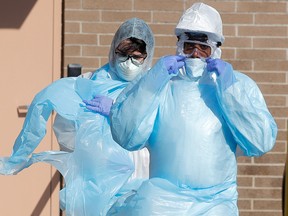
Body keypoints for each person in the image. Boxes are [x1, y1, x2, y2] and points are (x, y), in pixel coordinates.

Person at [109, 3, 277, 215]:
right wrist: (153, 81)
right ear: (179, 46)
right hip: (161, 201)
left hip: (216, 201)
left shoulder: (237, 85)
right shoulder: (161, 82)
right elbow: (126, 135)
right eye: (189, 46)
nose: (195, 55)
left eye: (203, 48)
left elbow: (260, 141)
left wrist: (230, 90)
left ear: (216, 50)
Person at [0, 17, 154, 216]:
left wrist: (117, 113)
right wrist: (90, 152)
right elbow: (66, 132)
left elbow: (163, 131)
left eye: (136, 56)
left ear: (147, 56)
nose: (129, 62)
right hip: (96, 184)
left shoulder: (154, 88)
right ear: (112, 52)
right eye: (123, 54)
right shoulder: (88, 83)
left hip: (142, 176)